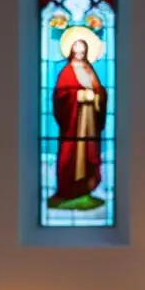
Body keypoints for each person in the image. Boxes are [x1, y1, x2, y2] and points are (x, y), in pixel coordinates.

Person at [49, 27, 108, 210]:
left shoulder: (90, 71)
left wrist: (97, 97)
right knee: (71, 152)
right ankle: (68, 190)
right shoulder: (66, 72)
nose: (80, 50)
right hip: (74, 123)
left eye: (83, 46)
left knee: (89, 151)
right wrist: (79, 96)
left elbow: (100, 92)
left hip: (89, 122)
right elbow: (61, 96)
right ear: (71, 49)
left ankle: (85, 189)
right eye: (77, 46)